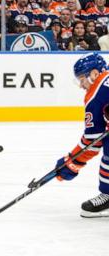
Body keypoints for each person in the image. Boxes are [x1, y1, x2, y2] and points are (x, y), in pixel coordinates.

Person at [55, 53, 109, 218]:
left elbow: (92, 143)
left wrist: (71, 163)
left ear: (94, 74)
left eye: (82, 79)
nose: (81, 85)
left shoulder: (95, 96)